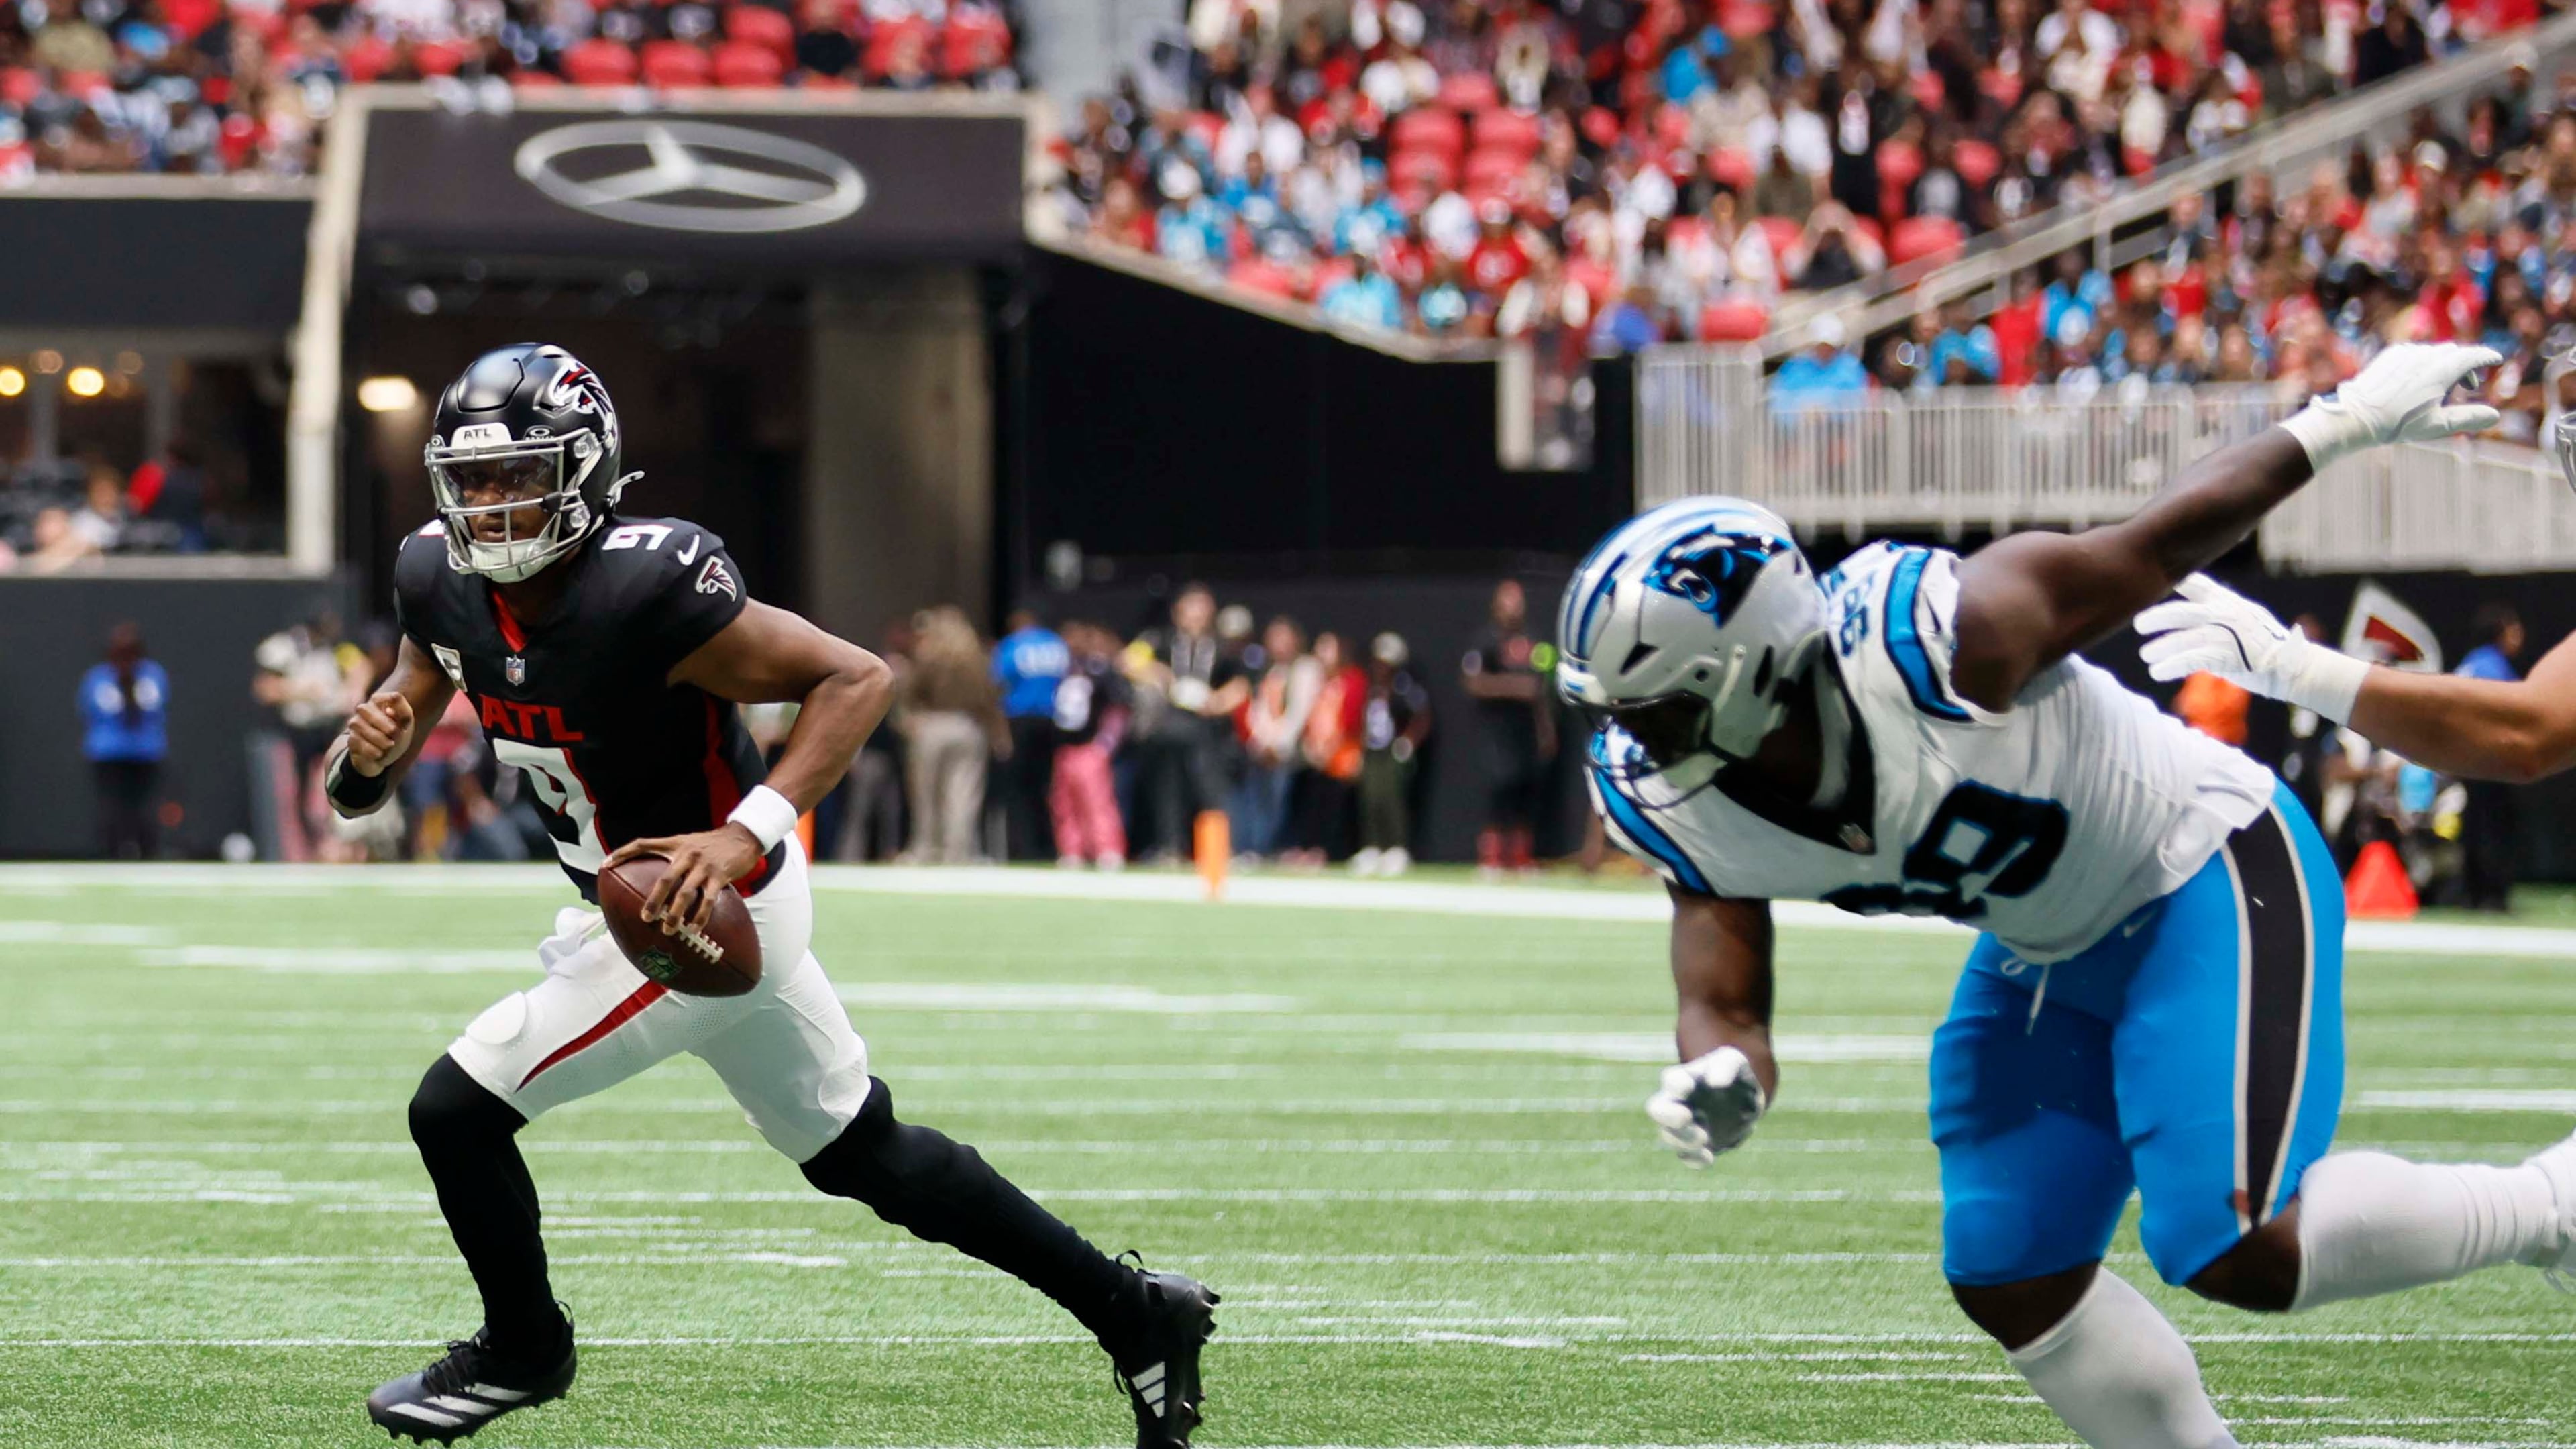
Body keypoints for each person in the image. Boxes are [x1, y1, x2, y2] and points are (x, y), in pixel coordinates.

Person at [1564, 343, 2576, 1448]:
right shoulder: (1681, 807)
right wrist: (1722, 1069)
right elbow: (1724, 998)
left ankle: (2550, 1207)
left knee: (2233, 1243)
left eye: (1655, 710)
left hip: (2203, 861)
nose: (1633, 743)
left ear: (1756, 669)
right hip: (2050, 941)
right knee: (2011, 1266)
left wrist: (2345, 421)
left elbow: (2147, 545)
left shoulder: (1942, 641)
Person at [323, 345, 1215, 1446]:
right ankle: (1137, 1313)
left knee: (456, 1110)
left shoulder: (646, 587)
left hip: (707, 904)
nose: (492, 505)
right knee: (866, 1155)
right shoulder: (437, 580)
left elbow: (857, 678)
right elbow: (379, 753)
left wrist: (743, 833)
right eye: (474, 480)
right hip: (645, 902)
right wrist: (367, 759)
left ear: (586, 470)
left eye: (518, 476)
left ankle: (524, 1348)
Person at [900, 606, 1008, 865]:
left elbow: (909, 693)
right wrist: (999, 733)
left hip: (932, 725)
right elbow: (991, 699)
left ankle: (925, 848)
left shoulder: (927, 657)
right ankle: (958, 851)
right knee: (964, 794)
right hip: (968, 726)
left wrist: (910, 720)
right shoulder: (978, 660)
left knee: (925, 793)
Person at [1462, 579, 1555, 877]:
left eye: (1518, 602)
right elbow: (1474, 682)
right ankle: (1491, 858)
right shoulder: (1485, 641)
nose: (1514, 608)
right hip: (1496, 732)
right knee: (1498, 789)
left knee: (1524, 792)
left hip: (1525, 732)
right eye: (1509, 601)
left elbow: (1540, 690)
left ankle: (1521, 857)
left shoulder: (1533, 642)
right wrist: (1514, 687)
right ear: (1497, 606)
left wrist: (1546, 729)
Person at [2453, 604, 2526, 910]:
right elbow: (2512, 710)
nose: (2519, 636)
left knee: (2473, 823)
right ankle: (2493, 895)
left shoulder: (2469, 664)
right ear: (2500, 633)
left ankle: (2471, 892)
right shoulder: (2493, 667)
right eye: (2514, 630)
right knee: (2495, 826)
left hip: (2464, 760)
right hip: (2490, 761)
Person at [79, 623, 168, 860]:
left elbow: (156, 708)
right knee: (112, 807)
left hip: (145, 752)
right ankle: (110, 853)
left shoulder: (152, 676)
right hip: (108, 753)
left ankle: (148, 853)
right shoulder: (98, 678)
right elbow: (88, 711)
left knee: (145, 808)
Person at [1050, 621, 1131, 870]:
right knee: (1064, 803)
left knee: (1096, 801)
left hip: (1090, 747)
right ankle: (1072, 849)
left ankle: (1107, 849)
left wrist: (1105, 743)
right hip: (1065, 747)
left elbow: (1119, 708)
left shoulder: (1100, 671)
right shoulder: (1063, 672)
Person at [992, 607, 1070, 861]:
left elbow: (998, 681)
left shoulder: (1013, 645)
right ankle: (1048, 846)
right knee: (1045, 786)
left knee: (1018, 787)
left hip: (1020, 717)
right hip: (1050, 719)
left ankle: (1022, 847)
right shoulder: (1056, 644)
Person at [1354, 631, 1432, 876]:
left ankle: (1397, 847)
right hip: (1372, 750)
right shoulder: (1370, 686)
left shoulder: (1405, 687)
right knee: (1370, 798)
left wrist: (1408, 741)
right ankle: (1373, 846)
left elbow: (1422, 716)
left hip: (1393, 750)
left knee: (1392, 799)